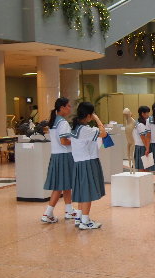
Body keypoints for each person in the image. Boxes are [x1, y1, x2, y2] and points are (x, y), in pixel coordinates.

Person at [70, 102, 107, 230]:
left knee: (82, 191)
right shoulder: (85, 130)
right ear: (89, 115)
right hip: (88, 162)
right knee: (87, 192)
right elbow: (103, 133)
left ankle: (79, 217)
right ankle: (85, 221)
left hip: (79, 162)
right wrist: (97, 119)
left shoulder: (76, 128)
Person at [41, 97, 78, 224]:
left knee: (66, 184)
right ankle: (47, 213)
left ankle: (69, 210)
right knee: (59, 186)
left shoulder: (54, 121)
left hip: (57, 156)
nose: (70, 108)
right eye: (68, 106)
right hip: (64, 156)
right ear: (62, 107)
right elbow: (64, 141)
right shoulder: (63, 123)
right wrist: (76, 141)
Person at [133, 106, 151, 171]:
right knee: (143, 167)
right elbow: (143, 138)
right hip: (142, 147)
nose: (148, 115)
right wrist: (147, 148)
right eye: (147, 113)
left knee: (145, 166)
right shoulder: (141, 124)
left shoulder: (139, 122)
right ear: (142, 113)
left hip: (141, 146)